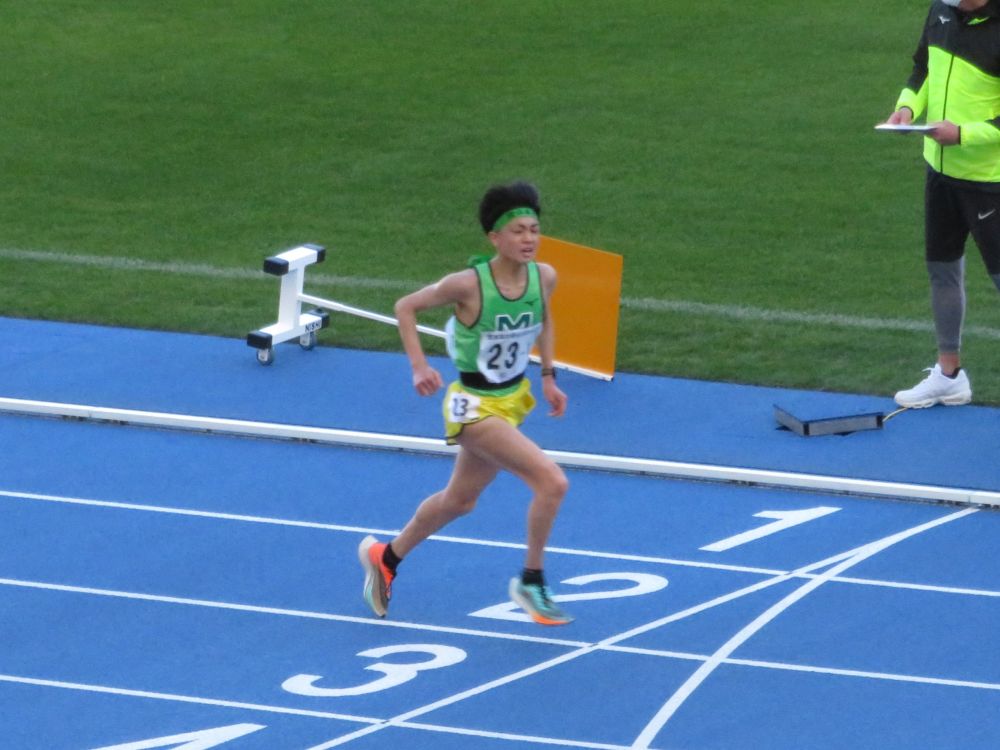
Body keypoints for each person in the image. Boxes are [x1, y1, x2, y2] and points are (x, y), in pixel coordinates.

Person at [357, 181, 573, 626]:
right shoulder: (468, 284)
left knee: (460, 501)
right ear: (494, 238)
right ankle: (531, 580)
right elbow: (406, 307)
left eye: (534, 230)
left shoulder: (544, 276)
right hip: (472, 405)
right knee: (552, 482)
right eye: (518, 231)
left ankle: (387, 557)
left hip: (512, 399)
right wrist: (419, 367)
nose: (529, 239)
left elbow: (545, 320)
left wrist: (549, 376)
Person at [883, 0, 1000, 408]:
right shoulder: (942, 11)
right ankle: (949, 374)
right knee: (942, 269)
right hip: (940, 171)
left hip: (989, 179)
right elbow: (924, 70)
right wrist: (907, 107)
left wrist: (964, 134)